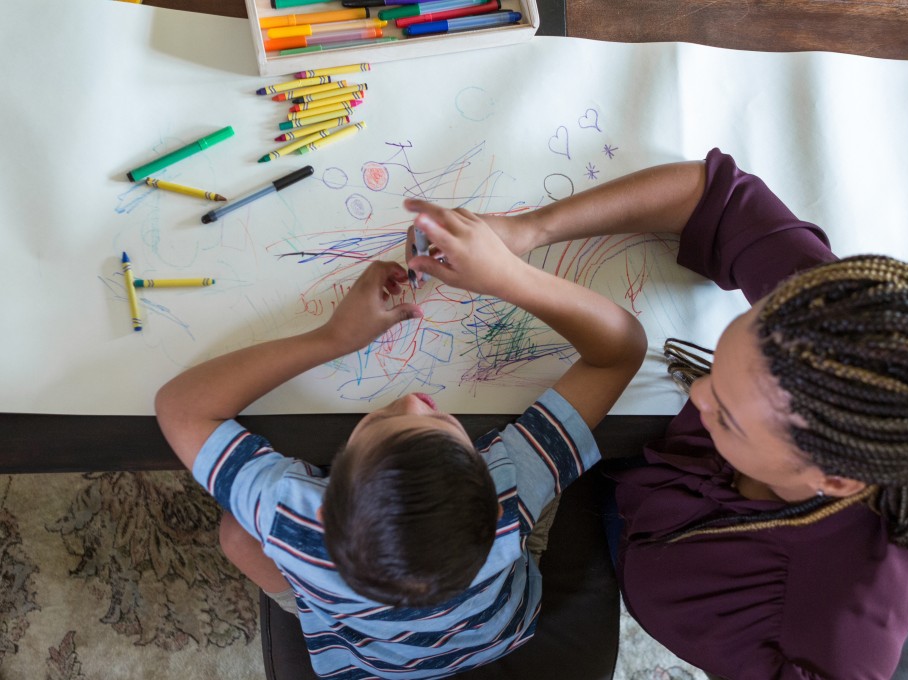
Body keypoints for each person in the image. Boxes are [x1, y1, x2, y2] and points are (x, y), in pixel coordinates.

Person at [475, 148, 908, 679]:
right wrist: (530, 230)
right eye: (716, 367)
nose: (697, 397)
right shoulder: (818, 333)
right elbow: (714, 195)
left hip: (631, 544)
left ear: (833, 479)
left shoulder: (836, 633)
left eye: (729, 415)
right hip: (640, 487)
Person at [154, 199, 646, 678]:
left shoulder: (292, 520)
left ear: (322, 505)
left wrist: (333, 339)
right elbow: (620, 350)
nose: (413, 399)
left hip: (364, 660)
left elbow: (182, 408)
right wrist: (506, 276)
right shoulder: (510, 492)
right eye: (438, 423)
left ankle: (314, 608)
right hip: (496, 630)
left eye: (384, 423)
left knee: (237, 534)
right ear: (494, 501)